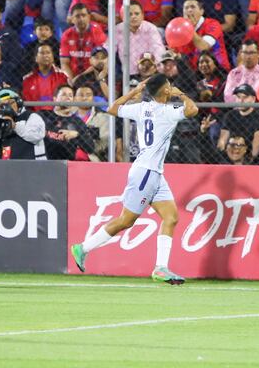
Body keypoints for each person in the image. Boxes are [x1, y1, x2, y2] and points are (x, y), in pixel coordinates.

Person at [70, 74, 198, 283]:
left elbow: (112, 108)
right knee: (126, 221)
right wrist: (181, 94)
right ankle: (83, 248)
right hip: (146, 173)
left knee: (171, 217)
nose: (172, 87)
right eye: (170, 86)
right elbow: (193, 110)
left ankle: (161, 268)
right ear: (166, 90)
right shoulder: (167, 112)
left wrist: (134, 92)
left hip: (154, 173)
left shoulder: (141, 108)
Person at [171, 0, 230, 71]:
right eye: (186, 8)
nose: (189, 10)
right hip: (193, 73)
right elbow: (175, 53)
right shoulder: (179, 29)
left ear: (201, 11)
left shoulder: (213, 24)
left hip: (218, 70)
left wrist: (189, 27)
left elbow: (203, 47)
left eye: (193, 7)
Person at [40, 84, 96, 160]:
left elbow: (90, 148)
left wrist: (77, 135)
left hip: (67, 165)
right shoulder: (43, 115)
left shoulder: (77, 122)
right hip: (43, 162)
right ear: (55, 98)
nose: (68, 97)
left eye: (70, 95)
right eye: (64, 94)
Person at [115, 0, 165, 76]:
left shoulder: (150, 28)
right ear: (123, 17)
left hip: (149, 71)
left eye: (137, 14)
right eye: (129, 14)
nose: (133, 17)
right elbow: (108, 49)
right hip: (127, 75)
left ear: (142, 15)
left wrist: (155, 67)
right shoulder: (117, 30)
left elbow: (158, 50)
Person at [59, 3, 108, 79]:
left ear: (89, 17)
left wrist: (79, 78)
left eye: (83, 15)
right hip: (73, 76)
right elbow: (64, 63)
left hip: (93, 76)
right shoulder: (66, 35)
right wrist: (71, 81)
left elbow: (100, 62)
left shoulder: (97, 32)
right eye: (77, 16)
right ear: (72, 19)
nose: (81, 19)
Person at [218, 83, 259, 160]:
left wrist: (252, 158)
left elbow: (257, 140)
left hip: (249, 154)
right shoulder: (230, 115)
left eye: (245, 97)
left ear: (253, 99)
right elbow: (223, 140)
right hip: (232, 151)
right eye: (238, 97)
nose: (241, 100)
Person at [74, 83, 120, 162]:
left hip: (92, 160)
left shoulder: (104, 117)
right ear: (74, 98)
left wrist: (84, 144)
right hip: (68, 159)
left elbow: (104, 143)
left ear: (93, 98)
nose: (85, 98)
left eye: (88, 95)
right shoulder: (68, 116)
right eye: (81, 95)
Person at [22, 43, 70, 110]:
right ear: (36, 58)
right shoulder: (28, 79)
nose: (45, 56)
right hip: (35, 116)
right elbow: (27, 103)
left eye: (48, 53)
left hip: (59, 116)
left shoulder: (63, 76)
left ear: (53, 57)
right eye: (42, 53)